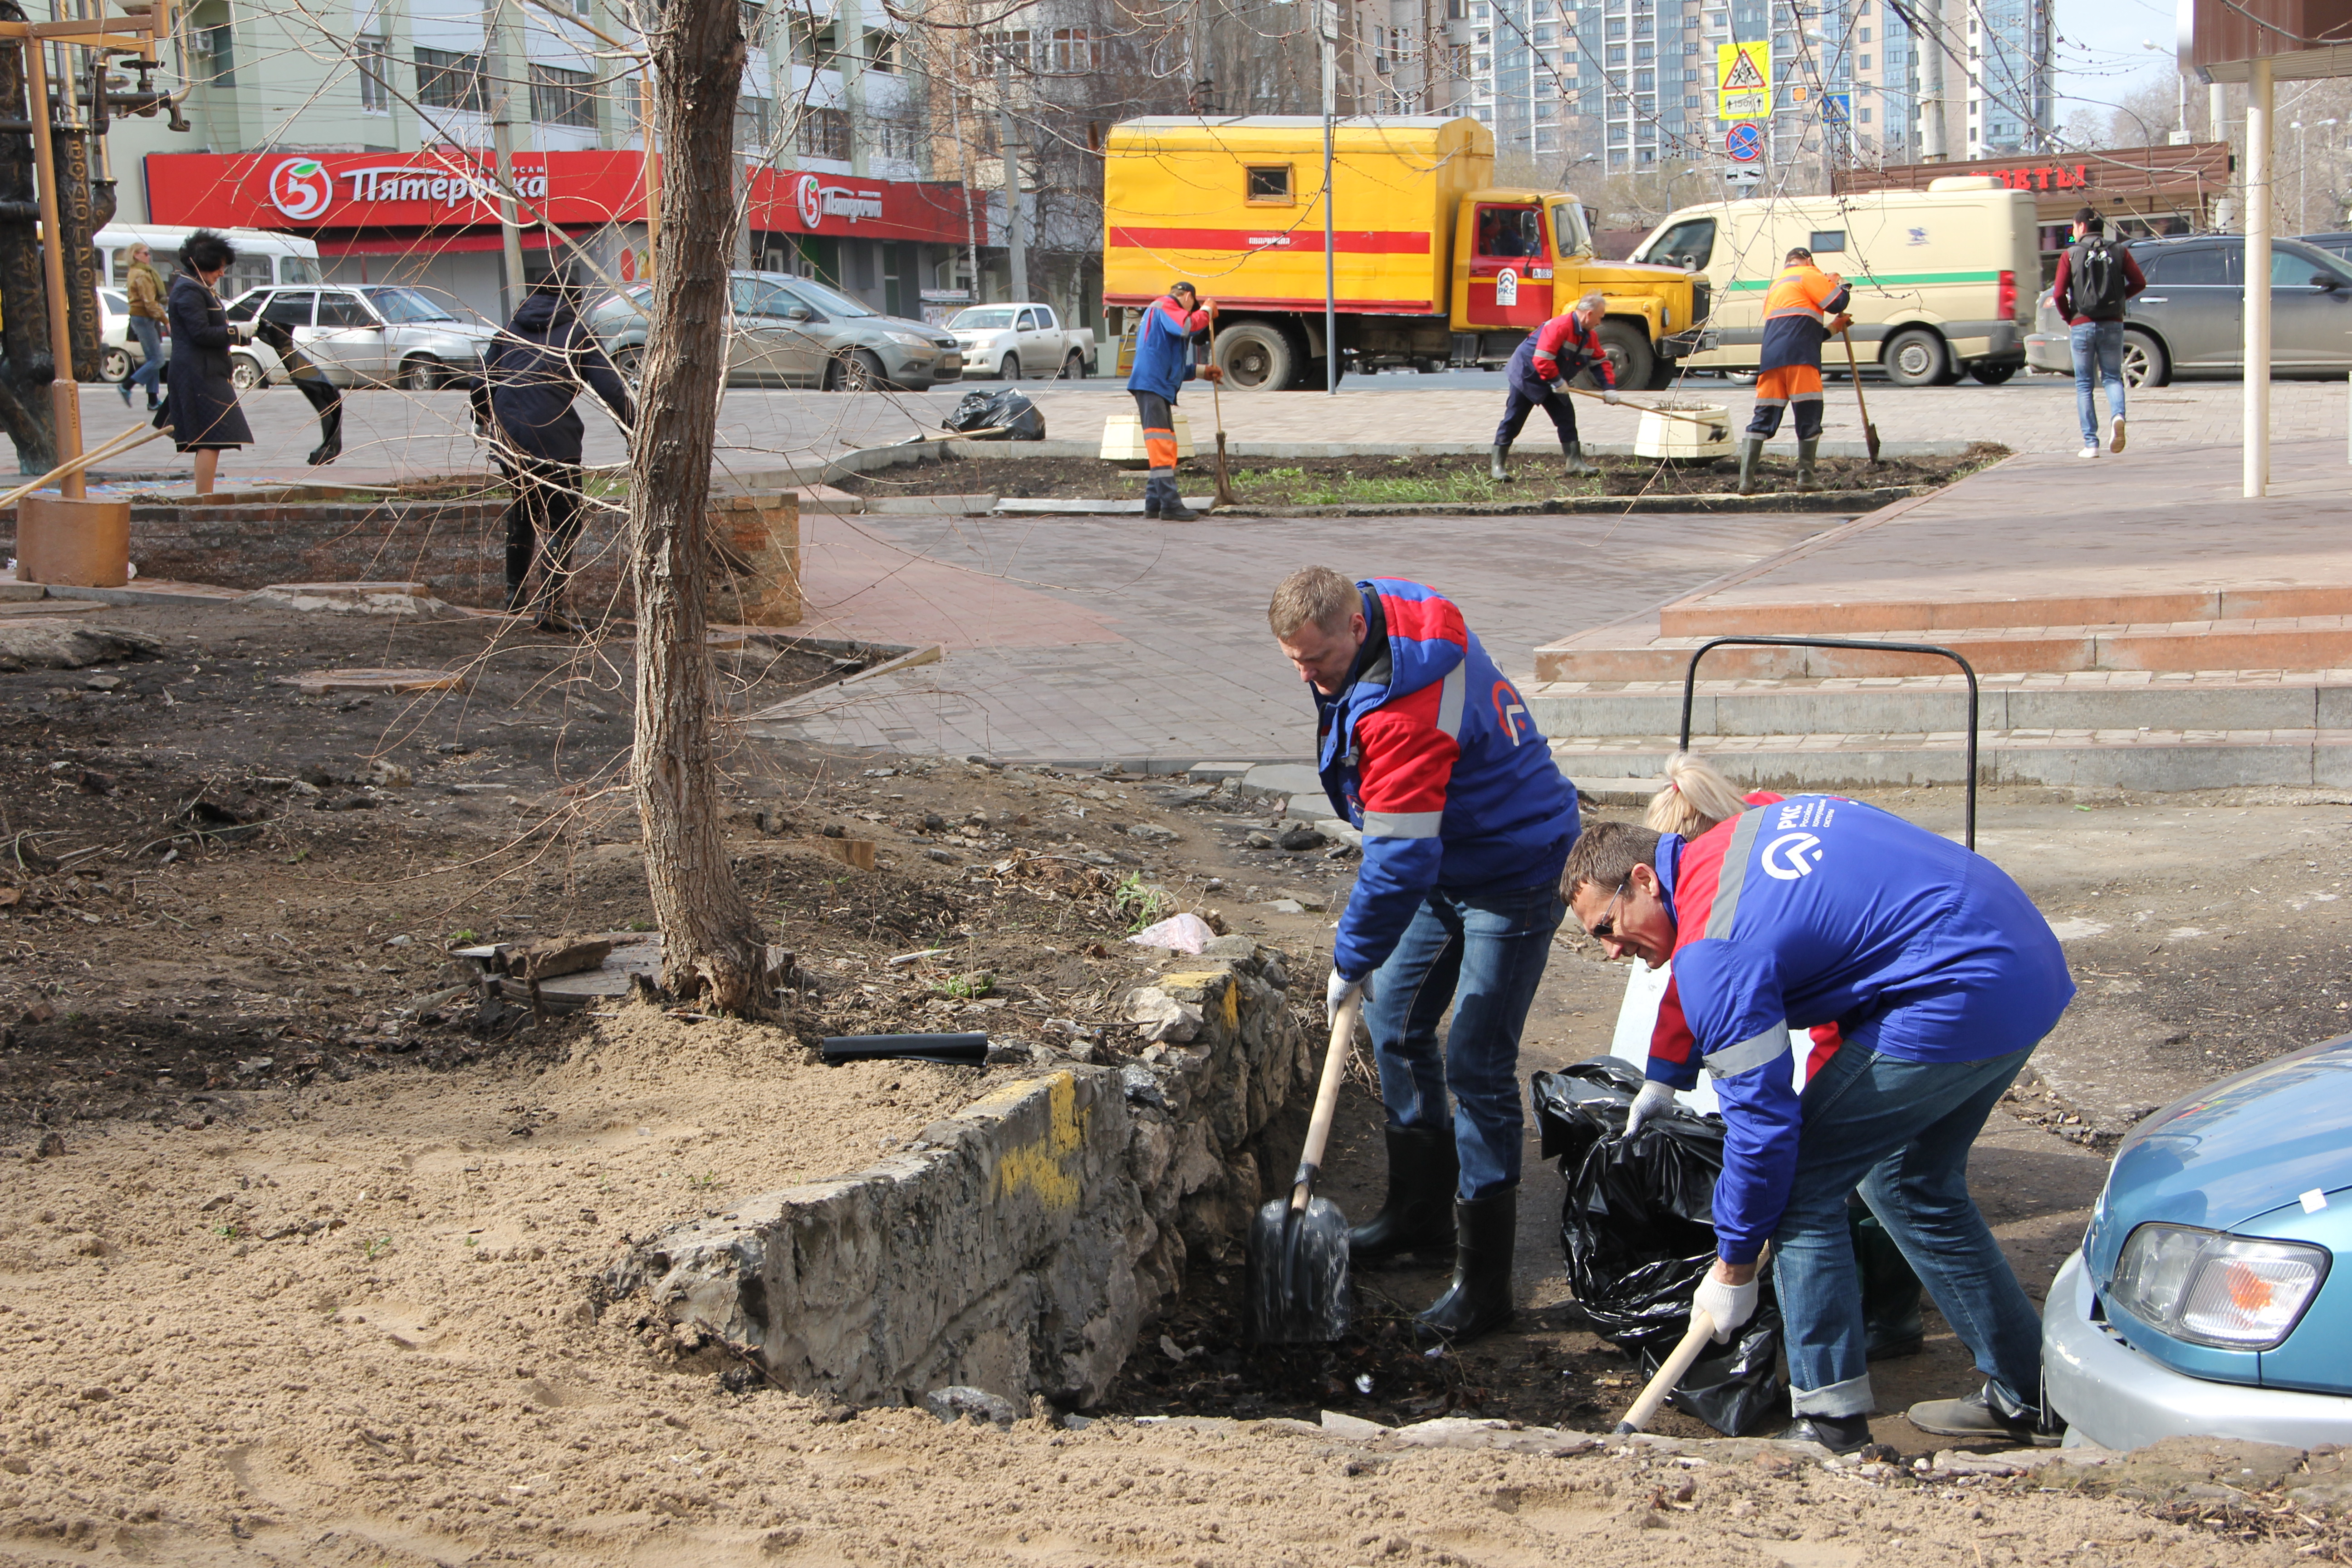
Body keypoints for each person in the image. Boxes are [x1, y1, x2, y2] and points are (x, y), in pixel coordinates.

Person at [1560, 804, 2074, 1453]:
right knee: (1908, 1183)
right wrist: (1665, 1073)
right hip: (2022, 962)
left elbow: (1764, 1128)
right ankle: (2029, 1394)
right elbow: (1711, 955)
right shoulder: (1727, 844)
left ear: (1643, 880)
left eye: (1607, 926)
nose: (1609, 952)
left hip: (1957, 989)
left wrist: (1733, 1269)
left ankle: (1829, 1424)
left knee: (1801, 1186)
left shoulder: (1715, 947)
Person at [1268, 566, 1581, 1342]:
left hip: (1513, 866)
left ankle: (1484, 1284)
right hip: (1448, 852)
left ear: (1355, 627)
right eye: (1293, 663)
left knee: (1476, 1060)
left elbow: (1398, 859)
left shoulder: (1408, 703)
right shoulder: (1374, 619)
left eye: (1317, 662)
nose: (1307, 677)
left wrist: (1350, 953)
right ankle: (1416, 1217)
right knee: (1396, 1022)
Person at [483, 270, 634, 634]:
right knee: (565, 519)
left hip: (507, 436)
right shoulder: (577, 334)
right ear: (574, 300)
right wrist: (636, 432)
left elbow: (480, 381)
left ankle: (514, 598)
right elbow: (613, 392)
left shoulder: (509, 329)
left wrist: (482, 419)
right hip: (552, 438)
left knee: (523, 506)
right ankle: (551, 608)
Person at [1736, 247, 1852, 496]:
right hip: (1801, 360)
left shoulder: (1777, 286)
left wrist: (1835, 328)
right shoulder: (1808, 274)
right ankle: (1806, 478)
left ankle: (1746, 482)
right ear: (1809, 261)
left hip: (1771, 362)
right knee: (1809, 417)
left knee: (1763, 419)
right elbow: (1838, 302)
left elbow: (1804, 329)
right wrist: (1839, 284)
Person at [162, 230, 256, 497]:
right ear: (202, 264)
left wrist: (244, 334)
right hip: (196, 373)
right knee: (210, 438)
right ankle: (205, 497)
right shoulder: (188, 291)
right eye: (219, 267)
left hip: (209, 370)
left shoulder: (200, 288)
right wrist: (237, 332)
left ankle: (206, 495)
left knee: (214, 438)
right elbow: (200, 333)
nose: (222, 273)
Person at [2050, 206, 2145, 460]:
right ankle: (2118, 416)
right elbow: (2139, 282)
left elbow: (2059, 293)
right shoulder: (2119, 251)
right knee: (2113, 377)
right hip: (2113, 323)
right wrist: (2119, 299)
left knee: (2084, 385)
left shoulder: (2070, 254)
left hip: (2081, 324)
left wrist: (2069, 317)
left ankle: (2091, 444)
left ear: (2081, 227)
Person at [1492, 289, 1617, 482]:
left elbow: (1600, 362)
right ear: (1589, 315)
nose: (1600, 322)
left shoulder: (1589, 336)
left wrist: (1609, 388)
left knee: (1566, 417)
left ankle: (1574, 463)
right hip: (1528, 375)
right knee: (1514, 419)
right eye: (1599, 318)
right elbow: (1542, 360)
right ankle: (1498, 466)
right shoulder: (1560, 327)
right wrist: (1558, 382)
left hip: (1554, 378)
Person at [1125, 280, 1219, 522]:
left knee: (1164, 445)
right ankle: (1171, 505)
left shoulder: (1163, 315)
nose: (1189, 312)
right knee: (1161, 448)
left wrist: (1201, 371)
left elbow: (1170, 364)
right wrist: (1207, 311)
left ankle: (1154, 504)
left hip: (1155, 385)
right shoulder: (1165, 306)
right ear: (1187, 297)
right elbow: (1187, 325)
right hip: (1152, 386)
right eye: (1191, 306)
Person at [121, 241, 167, 412]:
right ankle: (127, 385)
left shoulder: (137, 272)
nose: (149, 257)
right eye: (146, 254)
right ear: (136, 255)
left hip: (142, 318)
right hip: (144, 318)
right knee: (158, 360)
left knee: (153, 359)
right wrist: (166, 320)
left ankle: (153, 400)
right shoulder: (142, 275)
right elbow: (150, 303)